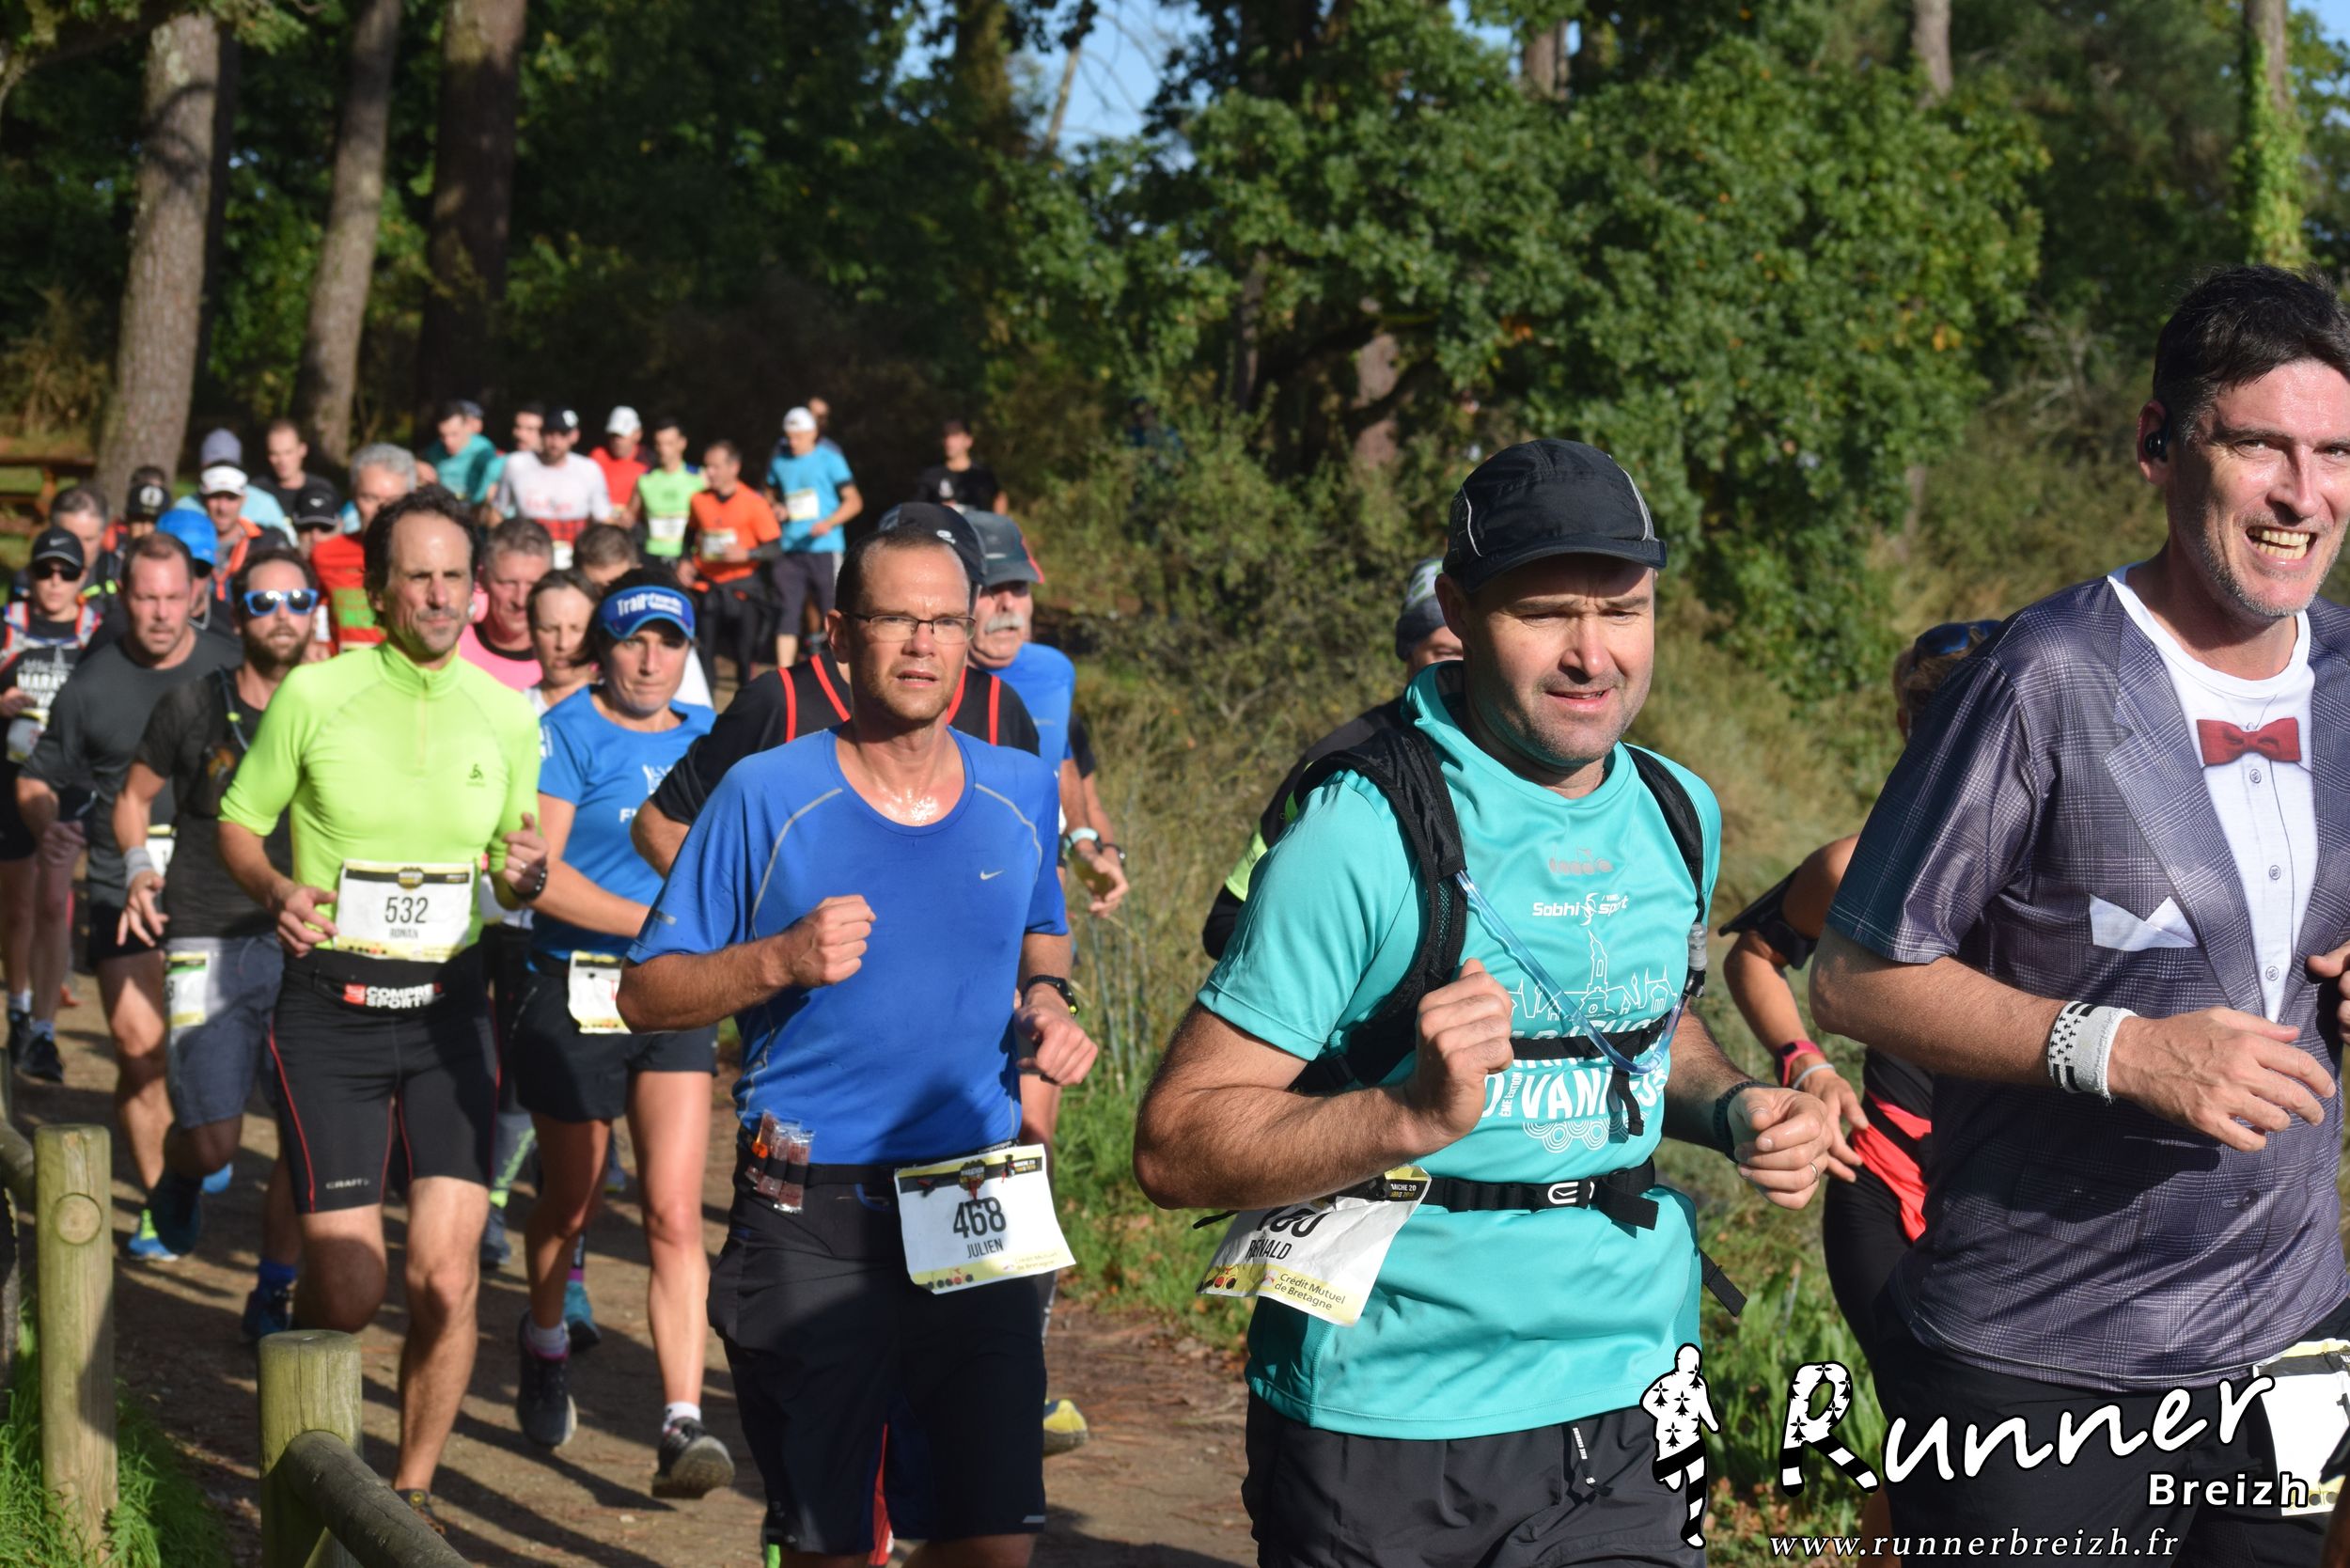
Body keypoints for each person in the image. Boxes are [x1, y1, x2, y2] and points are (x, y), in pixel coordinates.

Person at [1132, 439, 1830, 1568]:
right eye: (1545, 613)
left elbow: (1651, 1023)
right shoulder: (1360, 834)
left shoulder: (1676, 809)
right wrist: (1405, 1112)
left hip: (1634, 1395)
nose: (1592, 654)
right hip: (1391, 1424)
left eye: (1624, 610)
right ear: (1458, 612)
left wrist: (1735, 1107)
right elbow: (1174, 1144)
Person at [1810, 265, 2350, 1555]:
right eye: (2260, 447)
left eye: (2334, 453)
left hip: (2292, 1339)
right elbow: (1854, 976)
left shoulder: (2347, 675)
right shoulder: (2041, 677)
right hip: (2042, 1355)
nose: (2303, 494)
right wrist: (2121, 1049)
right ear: (2160, 445)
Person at [618, 524, 1099, 1568]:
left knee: (992, 1546)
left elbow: (1042, 928)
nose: (923, 645)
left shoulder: (1021, 788)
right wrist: (776, 960)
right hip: (811, 1212)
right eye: (895, 620)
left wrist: (1048, 999)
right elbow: (645, 993)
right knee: (832, 1547)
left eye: (945, 622)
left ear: (972, 637)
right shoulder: (764, 792)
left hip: (976, 1197)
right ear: (840, 635)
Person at [217, 484, 545, 1530]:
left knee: (446, 1279)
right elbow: (238, 820)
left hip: (449, 1014)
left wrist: (526, 874)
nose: (441, 596)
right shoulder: (316, 695)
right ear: (378, 586)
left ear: (476, 586)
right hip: (332, 1013)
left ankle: (408, 1500)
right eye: (419, 576)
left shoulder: (509, 712)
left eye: (455, 576)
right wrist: (277, 889)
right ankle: (307, 1435)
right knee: (353, 1286)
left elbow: (515, 856)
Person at [1716, 619, 1990, 1566]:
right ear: (1907, 729)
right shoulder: (1854, 865)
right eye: (1937, 722)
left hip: (2014, 1200)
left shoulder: (2077, 875)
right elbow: (1753, 956)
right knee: (1937, 1422)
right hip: (1884, 1185)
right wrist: (1807, 1064)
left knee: (1972, 1438)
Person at [509, 574, 732, 1497]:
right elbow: (543, 877)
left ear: (688, 653)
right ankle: (544, 1340)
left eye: (668, 642)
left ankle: (682, 1420)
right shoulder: (567, 731)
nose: (651, 659)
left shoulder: (708, 739)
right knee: (574, 1201)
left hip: (673, 993)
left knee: (675, 1211)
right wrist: (654, 922)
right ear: (602, 649)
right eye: (633, 640)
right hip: (577, 987)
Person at [20, 533, 238, 1260]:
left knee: (211, 1050)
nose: (162, 613)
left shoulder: (230, 665)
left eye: (175, 597)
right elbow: (37, 777)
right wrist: (49, 825)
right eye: (147, 598)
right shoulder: (93, 685)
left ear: (195, 594)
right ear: (122, 596)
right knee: (139, 1050)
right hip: (124, 883)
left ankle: (198, 1148)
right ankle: (160, 1196)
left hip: (221, 886)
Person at [116, 547, 314, 1338]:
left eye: (297, 599)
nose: (282, 616)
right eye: (264, 603)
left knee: (303, 1135)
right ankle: (181, 1174)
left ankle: (274, 1288)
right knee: (212, 1142)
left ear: (315, 609)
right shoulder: (193, 704)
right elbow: (133, 798)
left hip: (308, 938)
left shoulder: (336, 706)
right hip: (208, 929)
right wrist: (138, 867)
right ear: (235, 611)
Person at [632, 503, 1041, 875]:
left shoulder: (999, 706)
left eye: (953, 590)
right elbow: (662, 821)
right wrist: (744, 922)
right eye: (897, 613)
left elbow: (1039, 866)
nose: (924, 633)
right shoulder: (780, 700)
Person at [1199, 557, 1463, 960]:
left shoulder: (1539, 764)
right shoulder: (1336, 757)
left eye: (1473, 653)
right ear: (1408, 650)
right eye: (1444, 652)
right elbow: (1227, 920)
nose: (1459, 671)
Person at [964, 511, 1128, 915]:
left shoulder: (1055, 672)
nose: (1008, 604)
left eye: (1019, 587)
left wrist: (1087, 848)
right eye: (990, 589)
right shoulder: (929, 683)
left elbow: (1059, 762)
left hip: (1043, 911)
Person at [0, 527, 106, 1081]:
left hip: (70, 783)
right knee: (17, 907)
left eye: (67, 572)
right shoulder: (8, 625)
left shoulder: (97, 631)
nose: (56, 582)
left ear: (83, 577)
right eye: (45, 570)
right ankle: (17, 1008)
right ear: (31, 574)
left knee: (52, 901)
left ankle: (44, 1031)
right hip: (11, 779)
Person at [680, 439, 780, 691]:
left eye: (715, 467)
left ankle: (747, 709)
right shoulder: (698, 500)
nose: (709, 472)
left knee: (745, 657)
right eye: (707, 466)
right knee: (705, 654)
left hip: (743, 590)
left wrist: (747, 553)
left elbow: (774, 548)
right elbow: (689, 535)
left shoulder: (754, 503)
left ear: (734, 467)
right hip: (709, 588)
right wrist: (685, 561)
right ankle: (707, 710)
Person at [766, 406, 860, 668]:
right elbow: (768, 492)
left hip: (824, 547)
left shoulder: (830, 459)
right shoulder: (780, 460)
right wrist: (776, 507)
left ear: (812, 433)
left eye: (797, 437)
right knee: (787, 614)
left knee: (833, 612)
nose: (792, 442)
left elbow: (854, 501)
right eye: (788, 436)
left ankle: (839, 672)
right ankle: (784, 676)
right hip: (790, 548)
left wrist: (828, 522)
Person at [318, 444, 416, 652]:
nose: (381, 509)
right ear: (353, 498)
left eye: (393, 500)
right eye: (369, 498)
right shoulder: (323, 555)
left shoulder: (428, 557)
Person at [492, 406, 611, 569]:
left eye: (563, 435)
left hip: (574, 561)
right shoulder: (517, 464)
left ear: (574, 436)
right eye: (550, 434)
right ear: (541, 433)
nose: (555, 443)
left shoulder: (589, 469)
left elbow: (604, 520)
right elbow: (497, 514)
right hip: (527, 556)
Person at [460, 519, 551, 693]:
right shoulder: (450, 651)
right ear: (482, 578)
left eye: (533, 585)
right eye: (508, 583)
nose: (520, 600)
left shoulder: (567, 662)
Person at [626, 416, 704, 563]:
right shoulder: (645, 480)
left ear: (682, 443)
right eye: (658, 444)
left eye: (669, 444)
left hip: (686, 558)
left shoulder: (700, 479)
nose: (663, 450)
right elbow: (628, 518)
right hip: (652, 557)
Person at [526, 570, 600, 715]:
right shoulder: (517, 712)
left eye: (576, 629)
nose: (563, 644)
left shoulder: (622, 710)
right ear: (532, 633)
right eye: (549, 629)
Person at [198, 463, 269, 606]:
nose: (222, 508)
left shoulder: (267, 542)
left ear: (244, 499)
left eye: (231, 498)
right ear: (203, 499)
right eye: (215, 497)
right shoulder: (185, 541)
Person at [914, 417, 1008, 513]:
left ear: (968, 441)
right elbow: (918, 509)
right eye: (946, 435)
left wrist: (998, 520)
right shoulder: (931, 475)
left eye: (955, 435)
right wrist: (938, 510)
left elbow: (999, 497)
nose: (949, 441)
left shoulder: (982, 474)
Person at [256, 419, 343, 520]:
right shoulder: (257, 492)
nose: (282, 460)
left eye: (288, 452)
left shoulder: (324, 490)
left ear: (303, 449)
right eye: (275, 454)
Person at [420, 400, 501, 507]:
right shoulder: (434, 449)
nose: (448, 442)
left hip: (473, 509)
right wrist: (418, 466)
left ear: (467, 427)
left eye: (454, 434)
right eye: (442, 435)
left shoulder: (483, 451)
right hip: (441, 507)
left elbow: (495, 487)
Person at [590, 407, 648, 513]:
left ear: (637, 434)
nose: (616, 440)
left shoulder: (649, 462)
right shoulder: (597, 457)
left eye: (621, 435)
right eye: (613, 435)